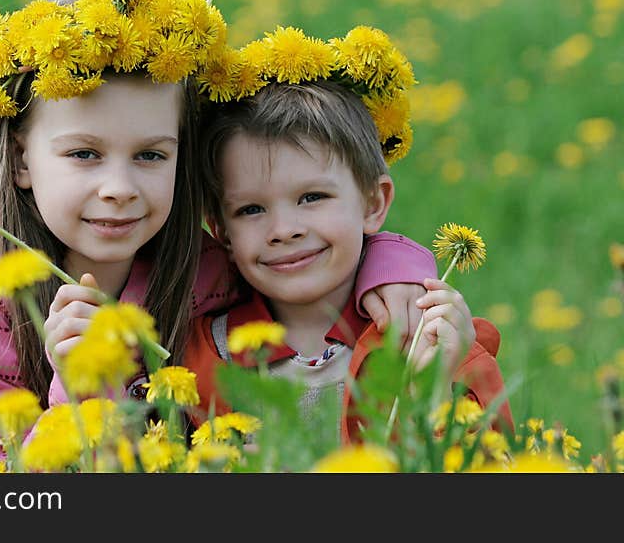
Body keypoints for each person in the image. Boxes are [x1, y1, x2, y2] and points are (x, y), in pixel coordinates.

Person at [0, 0, 436, 472]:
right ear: (23, 159)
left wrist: (389, 265)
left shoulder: (194, 261)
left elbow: (303, 265)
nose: (120, 187)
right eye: (84, 154)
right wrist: (80, 389)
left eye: (150, 155)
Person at [184, 26, 514, 444]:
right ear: (222, 232)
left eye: (312, 197)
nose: (284, 231)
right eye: (251, 209)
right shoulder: (203, 356)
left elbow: (495, 459)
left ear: (373, 203)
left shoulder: (425, 337)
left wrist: (438, 386)